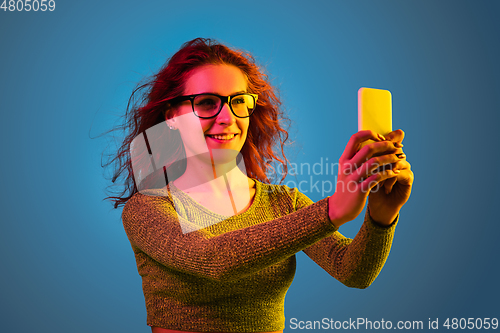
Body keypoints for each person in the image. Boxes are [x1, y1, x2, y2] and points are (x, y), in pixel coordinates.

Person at [105, 38, 414, 333]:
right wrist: (332, 210)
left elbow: (352, 271)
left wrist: (381, 217)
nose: (227, 117)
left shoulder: (283, 203)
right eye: (207, 102)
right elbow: (212, 259)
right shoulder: (148, 207)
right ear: (172, 116)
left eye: (239, 101)